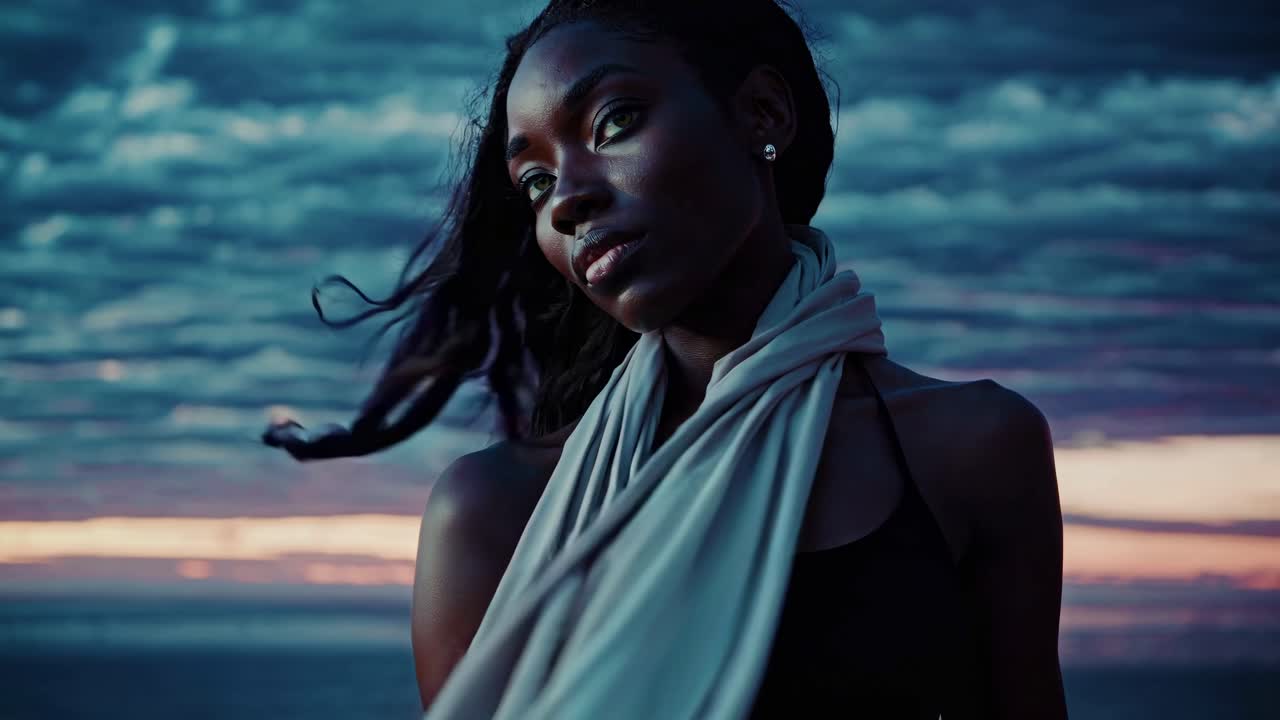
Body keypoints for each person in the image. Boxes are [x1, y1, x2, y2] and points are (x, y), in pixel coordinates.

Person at [263, 1, 1068, 717]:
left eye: (612, 123)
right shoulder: (492, 511)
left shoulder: (975, 449)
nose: (568, 198)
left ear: (762, 112)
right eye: (536, 181)